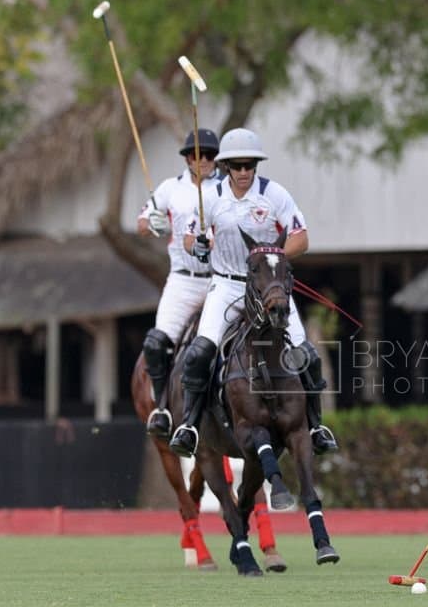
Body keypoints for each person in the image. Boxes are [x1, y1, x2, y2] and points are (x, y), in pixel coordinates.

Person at [167, 127, 339, 459]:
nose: (244, 172)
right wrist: (199, 244)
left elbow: (301, 238)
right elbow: (189, 239)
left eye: (250, 165)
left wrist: (272, 261)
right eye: (237, 166)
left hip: (267, 287)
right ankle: (189, 425)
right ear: (225, 166)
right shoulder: (211, 197)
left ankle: (316, 426)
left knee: (307, 354)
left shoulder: (274, 195)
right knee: (200, 352)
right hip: (226, 284)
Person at [138, 128, 223, 441]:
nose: (202, 161)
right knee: (156, 343)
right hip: (182, 282)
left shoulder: (227, 189)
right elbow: (143, 223)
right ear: (187, 158)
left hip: (220, 281)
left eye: (210, 155)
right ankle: (162, 408)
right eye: (196, 155)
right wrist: (153, 224)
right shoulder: (169, 189)